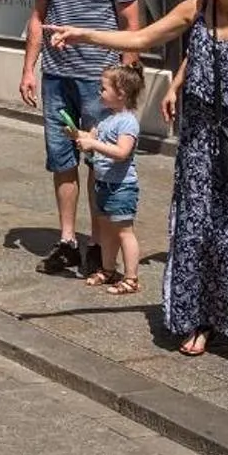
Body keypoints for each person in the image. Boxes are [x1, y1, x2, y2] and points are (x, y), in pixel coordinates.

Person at [49, 0, 228, 374]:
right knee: (197, 228)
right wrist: (83, 34)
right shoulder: (198, 8)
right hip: (200, 138)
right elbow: (144, 35)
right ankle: (198, 318)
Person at [19, 0, 143, 279]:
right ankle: (69, 241)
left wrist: (125, 79)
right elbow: (38, 15)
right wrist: (29, 67)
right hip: (57, 75)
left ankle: (98, 245)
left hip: (97, 79)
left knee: (100, 161)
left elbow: (131, 24)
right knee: (62, 159)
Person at [72, 63, 146, 291]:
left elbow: (122, 152)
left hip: (121, 187)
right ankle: (108, 269)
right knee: (106, 231)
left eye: (103, 89)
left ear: (121, 94)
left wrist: (93, 143)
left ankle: (132, 278)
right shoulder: (106, 120)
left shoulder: (127, 122)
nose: (99, 93)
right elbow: (92, 139)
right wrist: (78, 135)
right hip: (103, 185)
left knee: (124, 232)